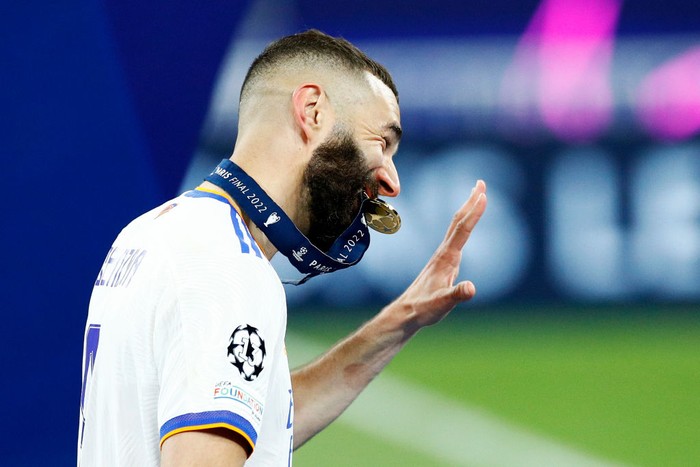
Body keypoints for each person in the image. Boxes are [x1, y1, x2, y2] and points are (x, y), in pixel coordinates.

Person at [78, 29, 487, 466]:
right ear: (312, 111)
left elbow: (263, 425)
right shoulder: (229, 264)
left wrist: (400, 319)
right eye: (382, 143)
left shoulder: (151, 233)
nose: (391, 181)